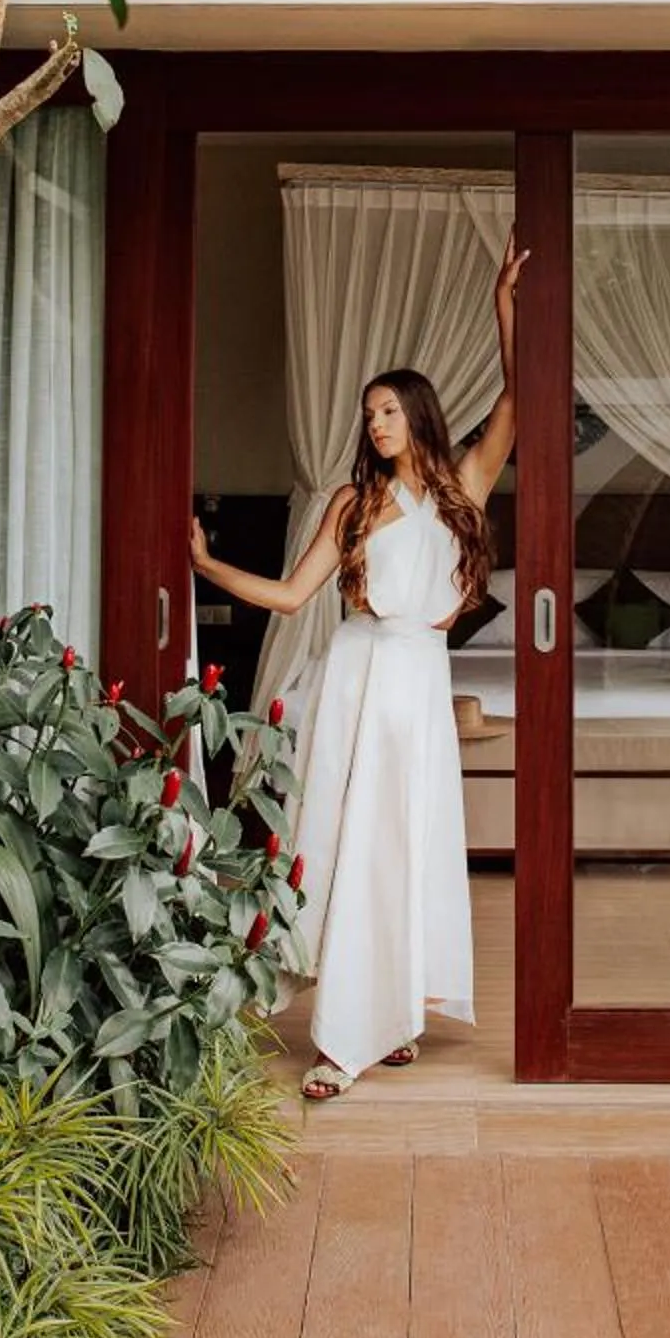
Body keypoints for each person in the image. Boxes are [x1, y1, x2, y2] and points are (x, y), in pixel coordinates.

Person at [190, 230, 528, 1100]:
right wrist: (207, 567)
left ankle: (393, 1016)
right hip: (354, 678)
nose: (374, 423)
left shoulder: (461, 489)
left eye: (387, 409)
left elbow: (522, 403)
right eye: (367, 412)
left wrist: (503, 309)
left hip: (416, 682)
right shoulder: (351, 501)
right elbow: (293, 597)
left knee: (405, 847)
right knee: (341, 844)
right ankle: (343, 1037)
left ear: (417, 414)